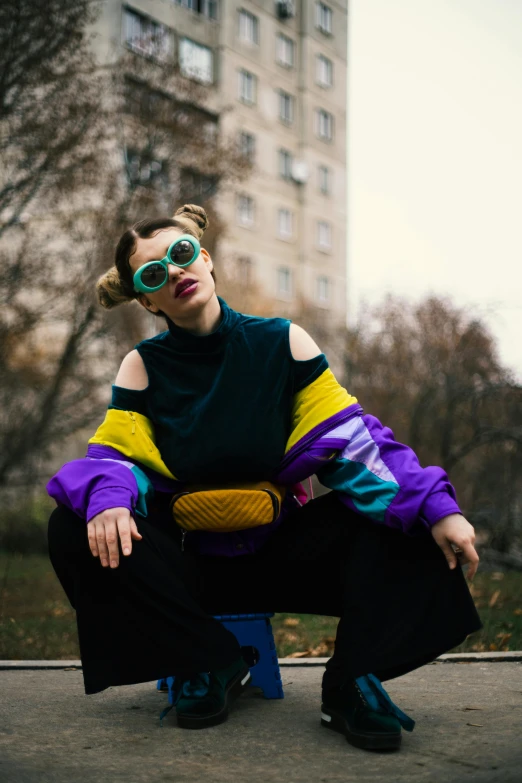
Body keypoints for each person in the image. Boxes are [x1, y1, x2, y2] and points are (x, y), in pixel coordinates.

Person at [47, 204, 481, 752]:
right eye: (152, 274)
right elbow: (115, 456)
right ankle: (211, 661)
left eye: (180, 256)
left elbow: (354, 442)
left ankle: (351, 681)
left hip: (284, 552)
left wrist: (441, 508)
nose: (175, 273)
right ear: (146, 300)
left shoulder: (283, 342)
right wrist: (108, 499)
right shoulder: (142, 366)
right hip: (189, 561)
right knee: (73, 524)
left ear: (204, 259)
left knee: (413, 515)